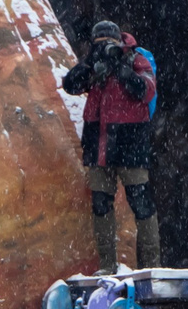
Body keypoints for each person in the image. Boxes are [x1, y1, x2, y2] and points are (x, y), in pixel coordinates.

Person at [63, 18, 160, 270]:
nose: (105, 49)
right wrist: (90, 64)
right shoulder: (95, 65)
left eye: (108, 44)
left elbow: (146, 90)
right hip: (99, 143)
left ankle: (151, 267)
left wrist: (120, 67)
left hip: (130, 143)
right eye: (99, 44)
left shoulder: (135, 58)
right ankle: (108, 265)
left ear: (119, 41)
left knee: (141, 203)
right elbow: (70, 84)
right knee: (101, 203)